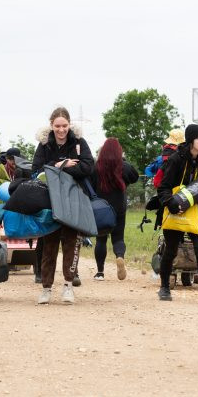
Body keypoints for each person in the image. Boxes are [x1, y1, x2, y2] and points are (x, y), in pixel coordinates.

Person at [32, 106, 94, 304]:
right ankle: (46, 288)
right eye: (57, 126)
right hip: (49, 200)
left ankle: (68, 285)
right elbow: (36, 170)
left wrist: (61, 167)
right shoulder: (43, 144)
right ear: (51, 125)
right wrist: (62, 165)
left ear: (69, 125)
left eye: (64, 125)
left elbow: (87, 167)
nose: (61, 130)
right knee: (48, 244)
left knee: (71, 243)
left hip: (73, 198)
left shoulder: (79, 143)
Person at [157, 123, 198, 304]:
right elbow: (163, 187)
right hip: (176, 209)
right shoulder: (176, 159)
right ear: (191, 140)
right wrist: (170, 204)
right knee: (170, 250)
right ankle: (164, 287)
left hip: (197, 211)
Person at [90, 138, 139, 281]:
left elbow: (90, 186)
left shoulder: (96, 167)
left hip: (100, 209)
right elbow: (134, 177)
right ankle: (119, 257)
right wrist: (123, 161)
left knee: (100, 240)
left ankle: (100, 272)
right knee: (118, 238)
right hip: (119, 208)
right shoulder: (124, 167)